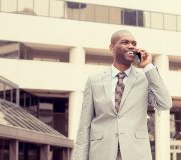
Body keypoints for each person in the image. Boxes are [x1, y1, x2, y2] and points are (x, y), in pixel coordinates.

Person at [72, 30, 172, 160]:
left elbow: (165, 103)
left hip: (135, 153)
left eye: (134, 43)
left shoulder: (145, 78)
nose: (131, 46)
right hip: (101, 153)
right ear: (112, 48)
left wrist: (148, 66)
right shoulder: (94, 80)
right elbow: (84, 125)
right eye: (125, 42)